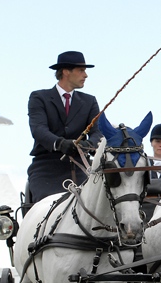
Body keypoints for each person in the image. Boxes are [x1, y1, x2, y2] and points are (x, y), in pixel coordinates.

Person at [27, 51, 103, 203]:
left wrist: (87, 145)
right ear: (66, 71)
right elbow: (39, 130)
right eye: (81, 70)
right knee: (45, 206)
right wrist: (60, 144)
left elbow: (98, 131)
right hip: (46, 169)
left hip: (81, 168)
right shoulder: (39, 98)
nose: (86, 75)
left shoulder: (89, 102)